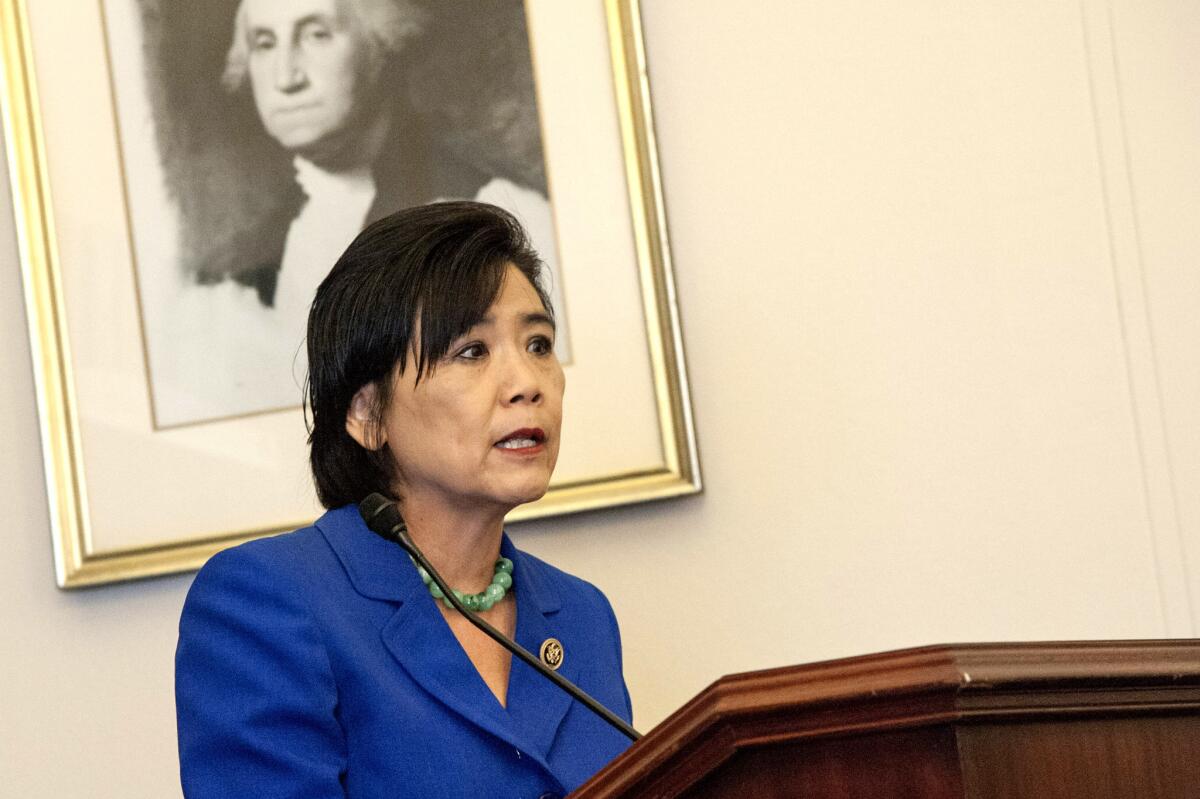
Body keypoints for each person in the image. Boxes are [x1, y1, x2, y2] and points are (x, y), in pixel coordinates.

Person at [175, 201, 632, 797]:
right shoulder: (265, 603)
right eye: (472, 351)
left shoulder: (582, 616)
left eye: (539, 344)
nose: (527, 384)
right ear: (367, 414)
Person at [146, 0, 566, 425]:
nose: (286, 77)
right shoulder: (227, 276)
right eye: (265, 43)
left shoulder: (501, 209)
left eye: (316, 35)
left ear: (382, 43)